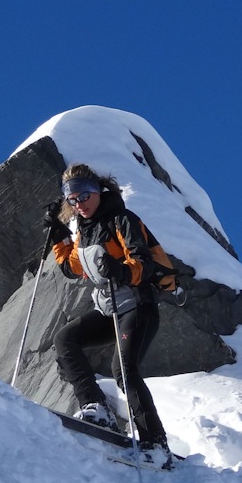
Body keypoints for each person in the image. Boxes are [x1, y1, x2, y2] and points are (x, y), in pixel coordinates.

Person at [44, 164, 169, 455]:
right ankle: (96, 406)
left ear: (98, 190)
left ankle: (156, 444)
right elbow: (72, 268)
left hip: (138, 304)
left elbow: (143, 262)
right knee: (66, 339)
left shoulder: (122, 219)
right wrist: (59, 236)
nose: (79, 203)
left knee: (124, 370)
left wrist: (122, 270)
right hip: (110, 308)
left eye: (84, 196)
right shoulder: (85, 231)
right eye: (72, 199)